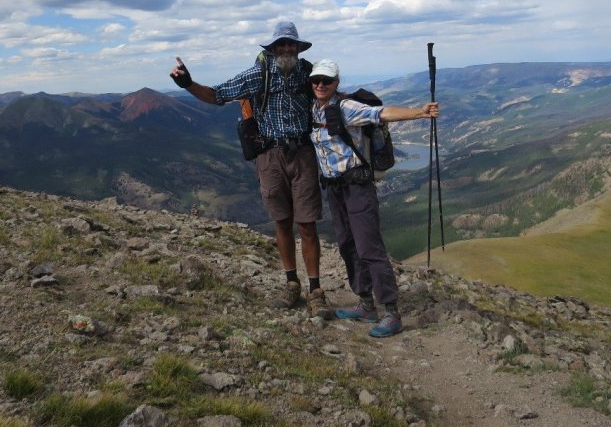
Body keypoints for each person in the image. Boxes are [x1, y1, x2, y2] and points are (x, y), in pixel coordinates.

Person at [169, 21, 332, 319]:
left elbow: (329, 93)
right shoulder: (259, 74)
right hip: (270, 156)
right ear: (273, 48)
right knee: (282, 221)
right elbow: (217, 95)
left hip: (303, 153)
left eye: (291, 44)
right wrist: (188, 83)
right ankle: (291, 283)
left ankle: (316, 290)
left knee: (307, 224)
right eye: (281, 44)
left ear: (298, 47)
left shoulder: (308, 72)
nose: (286, 48)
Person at [307, 58, 439, 337]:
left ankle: (392, 312)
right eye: (315, 80)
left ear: (336, 83)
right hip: (335, 189)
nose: (320, 84)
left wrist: (419, 112)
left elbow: (381, 113)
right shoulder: (314, 109)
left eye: (326, 80)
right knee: (347, 245)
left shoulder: (346, 107)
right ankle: (366, 304)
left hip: (357, 186)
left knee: (369, 247)